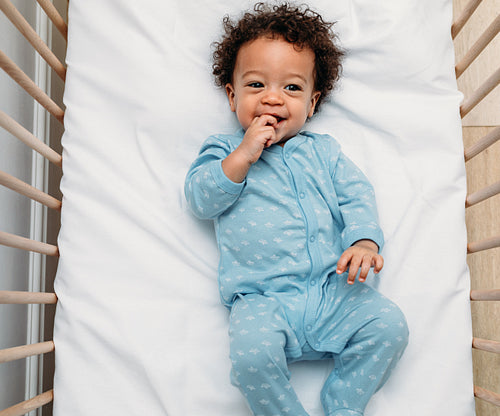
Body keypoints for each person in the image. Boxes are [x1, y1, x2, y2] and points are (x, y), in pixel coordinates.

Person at [184, 3, 409, 415]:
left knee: (390, 327)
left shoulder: (324, 152)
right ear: (232, 95)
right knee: (251, 358)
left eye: (291, 88)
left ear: (312, 101)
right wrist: (243, 155)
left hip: (333, 289)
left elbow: (356, 195)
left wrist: (363, 240)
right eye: (255, 85)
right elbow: (201, 199)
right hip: (262, 298)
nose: (272, 98)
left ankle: (343, 403)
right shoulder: (223, 150)